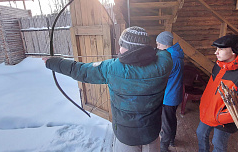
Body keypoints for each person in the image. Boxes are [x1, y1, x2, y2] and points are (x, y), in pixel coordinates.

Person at [43, 26, 174, 152]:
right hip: (151, 133)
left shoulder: (112, 68)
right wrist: (142, 54)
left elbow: (80, 70)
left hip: (125, 137)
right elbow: (162, 53)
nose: (119, 49)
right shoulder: (164, 64)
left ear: (130, 49)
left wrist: (52, 62)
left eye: (122, 45)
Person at [196, 34, 238, 152]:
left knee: (218, 143)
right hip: (209, 112)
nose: (216, 53)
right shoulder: (219, 65)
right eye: (216, 49)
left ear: (234, 51)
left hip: (224, 119)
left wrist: (219, 116)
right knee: (200, 133)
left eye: (221, 49)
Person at [156, 31, 184, 152]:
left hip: (169, 95)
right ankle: (172, 139)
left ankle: (164, 147)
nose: (157, 47)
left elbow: (162, 75)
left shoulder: (171, 58)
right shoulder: (176, 53)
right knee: (172, 118)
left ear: (165, 44)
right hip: (175, 93)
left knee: (166, 123)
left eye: (158, 44)